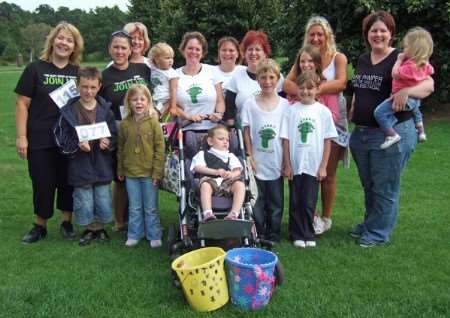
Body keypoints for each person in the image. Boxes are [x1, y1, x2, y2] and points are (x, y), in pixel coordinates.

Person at [350, 11, 434, 247]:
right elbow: (361, 88)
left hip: (392, 133)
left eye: (382, 30)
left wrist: (407, 91)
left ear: (391, 34)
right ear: (367, 34)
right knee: (370, 185)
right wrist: (356, 104)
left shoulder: (403, 57)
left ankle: (378, 233)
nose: (377, 35)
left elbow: (429, 83)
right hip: (363, 133)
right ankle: (370, 224)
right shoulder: (364, 59)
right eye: (373, 30)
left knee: (385, 186)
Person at [15, 21, 84, 243]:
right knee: (42, 182)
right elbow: (22, 104)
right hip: (40, 137)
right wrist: (22, 136)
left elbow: (88, 104)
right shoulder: (35, 69)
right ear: (53, 40)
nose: (64, 43)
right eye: (61, 38)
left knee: (68, 182)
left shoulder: (78, 73)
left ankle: (66, 222)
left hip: (69, 139)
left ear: (75, 46)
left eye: (69, 40)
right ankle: (39, 225)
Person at [284, 16, 349, 235]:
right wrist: (306, 94)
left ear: (327, 35)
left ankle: (326, 218)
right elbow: (287, 84)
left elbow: (341, 83)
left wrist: (314, 89)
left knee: (327, 172)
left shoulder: (337, 57)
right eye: (312, 34)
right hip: (304, 114)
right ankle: (308, 216)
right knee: (304, 168)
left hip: (330, 116)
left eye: (320, 34)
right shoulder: (302, 58)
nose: (316, 38)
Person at [54, 67, 117, 246]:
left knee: (103, 198)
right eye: (84, 87)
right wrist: (76, 146)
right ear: (77, 86)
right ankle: (89, 229)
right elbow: (61, 137)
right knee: (84, 199)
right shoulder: (68, 111)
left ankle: (100, 227)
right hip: (80, 165)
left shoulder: (106, 109)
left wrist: (108, 142)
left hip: (102, 163)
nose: (88, 91)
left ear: (99, 87)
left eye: (92, 87)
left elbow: (114, 133)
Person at [100, 30, 151, 232]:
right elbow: (100, 108)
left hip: (144, 128)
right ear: (110, 49)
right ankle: (120, 221)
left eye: (124, 47)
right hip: (119, 131)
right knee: (120, 177)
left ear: (131, 50)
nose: (120, 51)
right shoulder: (105, 76)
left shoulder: (142, 69)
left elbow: (152, 96)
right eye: (116, 47)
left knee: (144, 175)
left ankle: (145, 218)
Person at [281, 71, 337, 248]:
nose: (306, 91)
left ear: (317, 89)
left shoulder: (323, 112)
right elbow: (286, 139)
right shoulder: (291, 111)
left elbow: (327, 140)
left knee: (309, 201)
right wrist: (287, 164)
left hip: (313, 165)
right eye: (302, 88)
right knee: (296, 200)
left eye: (310, 88)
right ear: (297, 89)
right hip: (296, 164)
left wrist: (323, 166)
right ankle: (296, 233)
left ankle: (308, 232)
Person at [241, 59, 289, 242]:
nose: (267, 81)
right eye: (263, 77)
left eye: (271, 77)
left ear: (277, 79)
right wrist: (249, 156)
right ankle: (260, 231)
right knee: (258, 199)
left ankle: (274, 232)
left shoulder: (285, 105)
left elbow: (286, 137)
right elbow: (246, 133)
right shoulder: (250, 104)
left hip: (276, 160)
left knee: (276, 201)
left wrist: (286, 161)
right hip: (257, 161)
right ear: (257, 79)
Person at [117, 84, 165, 247]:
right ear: (129, 102)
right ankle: (134, 234)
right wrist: (121, 169)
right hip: (131, 173)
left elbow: (160, 148)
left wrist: (157, 173)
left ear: (148, 101)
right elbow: (121, 148)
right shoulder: (124, 124)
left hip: (149, 173)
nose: (138, 103)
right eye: (134, 99)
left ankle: (154, 234)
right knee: (135, 207)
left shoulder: (153, 122)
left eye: (142, 99)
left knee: (150, 207)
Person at [374, 27, 434, 149]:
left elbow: (395, 73)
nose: (404, 50)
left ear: (414, 49)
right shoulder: (425, 65)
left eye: (406, 47)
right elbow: (430, 73)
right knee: (416, 111)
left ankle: (392, 134)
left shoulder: (409, 66)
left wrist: (399, 60)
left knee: (379, 113)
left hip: (403, 99)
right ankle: (421, 131)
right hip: (414, 100)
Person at [224, 30, 284, 125]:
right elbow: (229, 108)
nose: (253, 53)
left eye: (257, 49)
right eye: (250, 49)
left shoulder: (277, 77)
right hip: (243, 132)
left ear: (265, 53)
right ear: (244, 53)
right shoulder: (237, 76)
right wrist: (231, 128)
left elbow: (283, 104)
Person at [190, 125, 245, 221]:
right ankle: (208, 213)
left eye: (227, 140)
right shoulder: (203, 154)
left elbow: (238, 170)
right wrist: (215, 172)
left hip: (227, 183)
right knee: (205, 185)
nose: (225, 142)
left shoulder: (230, 156)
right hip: (211, 181)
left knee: (240, 185)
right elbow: (197, 167)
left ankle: (234, 213)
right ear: (210, 141)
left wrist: (231, 174)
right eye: (221, 139)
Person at [174, 31, 224, 130]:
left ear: (202, 53)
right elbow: (173, 106)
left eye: (198, 49)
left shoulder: (212, 71)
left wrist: (218, 114)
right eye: (190, 48)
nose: (193, 52)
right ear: (183, 50)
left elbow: (220, 100)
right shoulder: (174, 75)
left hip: (213, 131)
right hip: (186, 130)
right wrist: (189, 117)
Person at [148, 42, 179, 116]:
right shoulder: (153, 68)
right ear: (157, 59)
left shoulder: (172, 73)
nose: (171, 60)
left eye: (172, 58)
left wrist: (173, 107)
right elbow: (149, 60)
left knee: (155, 115)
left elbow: (174, 90)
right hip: (153, 100)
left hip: (164, 101)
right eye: (167, 58)